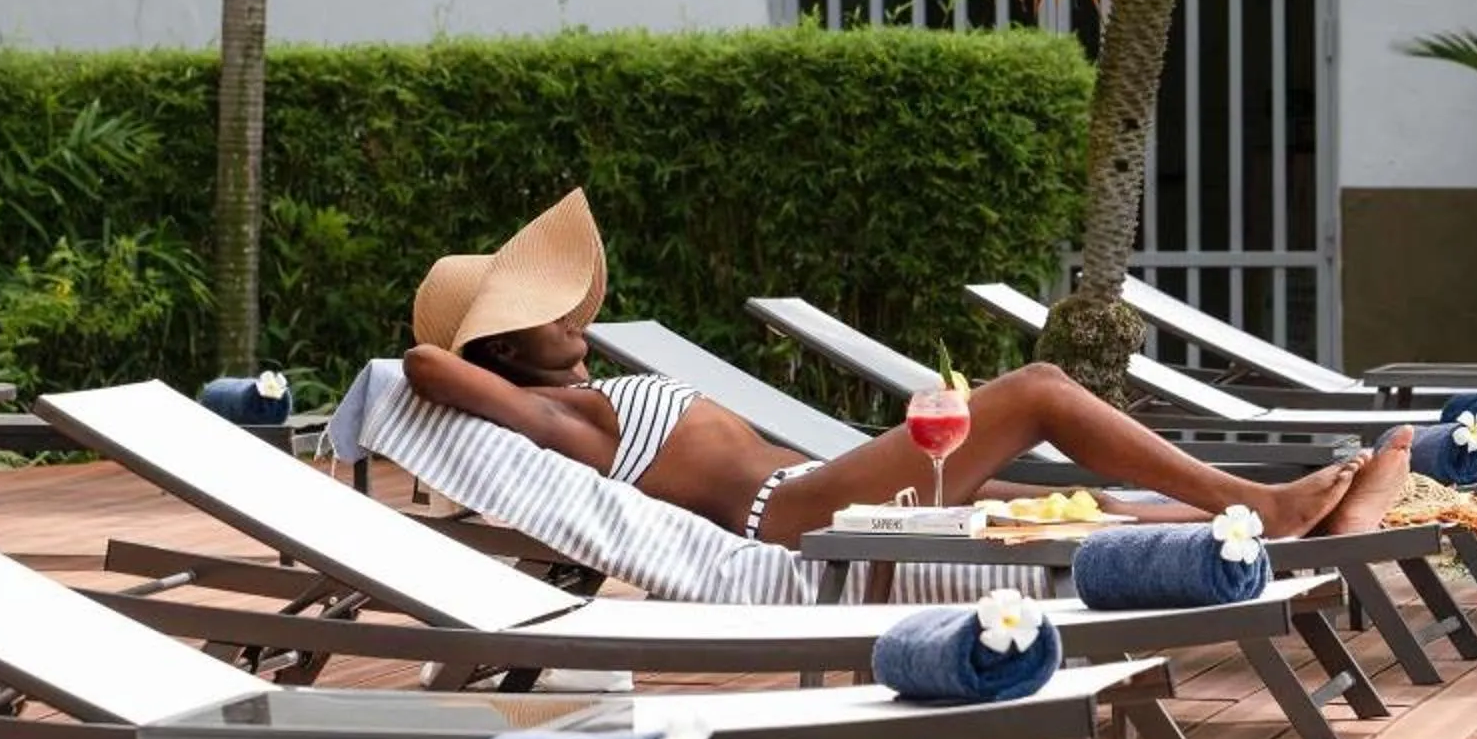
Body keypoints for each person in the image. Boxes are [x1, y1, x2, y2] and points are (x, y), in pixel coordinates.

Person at [402, 189, 1411, 550]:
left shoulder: (581, 396)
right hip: (789, 520)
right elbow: (422, 367)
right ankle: (1258, 503)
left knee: (1038, 507)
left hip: (812, 488)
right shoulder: (559, 421)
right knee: (1042, 393)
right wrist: (459, 355)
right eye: (531, 317)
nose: (565, 318)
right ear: (500, 353)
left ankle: (1262, 522)